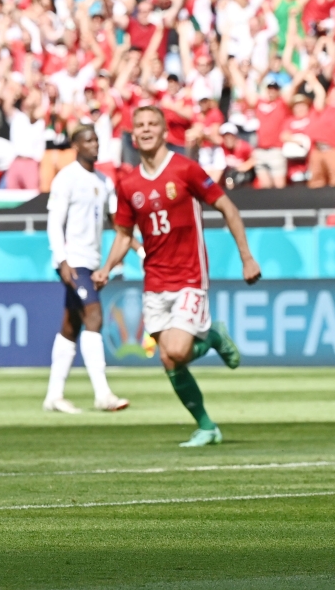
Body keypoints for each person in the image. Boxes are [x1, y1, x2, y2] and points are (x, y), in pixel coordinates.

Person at [92, 106, 262, 447]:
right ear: (132, 134)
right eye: (139, 125)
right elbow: (124, 235)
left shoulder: (185, 169)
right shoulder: (127, 184)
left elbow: (227, 207)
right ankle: (206, 426)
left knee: (180, 350)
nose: (145, 129)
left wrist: (247, 257)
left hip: (189, 275)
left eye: (152, 124)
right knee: (168, 356)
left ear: (165, 130)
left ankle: (213, 336)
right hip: (154, 280)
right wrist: (107, 267)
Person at [44, 126, 136, 414]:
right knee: (94, 316)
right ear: (75, 145)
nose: (94, 145)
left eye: (96, 140)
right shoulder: (66, 178)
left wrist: (139, 247)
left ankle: (53, 396)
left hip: (92, 261)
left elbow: (116, 223)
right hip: (74, 261)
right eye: (88, 140)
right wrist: (61, 260)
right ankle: (103, 394)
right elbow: (54, 222)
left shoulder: (104, 181)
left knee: (71, 326)